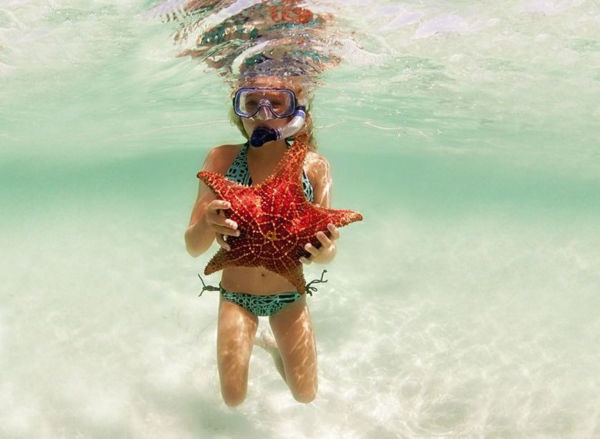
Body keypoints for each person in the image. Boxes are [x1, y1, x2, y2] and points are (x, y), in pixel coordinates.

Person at [184, 74, 340, 406]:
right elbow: (193, 247)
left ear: (297, 111)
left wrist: (324, 249)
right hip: (236, 297)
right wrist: (209, 223)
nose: (262, 113)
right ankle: (261, 340)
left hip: (289, 297)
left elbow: (329, 252)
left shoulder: (314, 167)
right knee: (233, 398)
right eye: (251, 103)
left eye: (276, 102)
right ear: (238, 110)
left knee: (306, 395)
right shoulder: (222, 160)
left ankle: (271, 348)